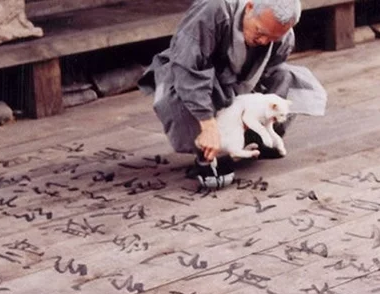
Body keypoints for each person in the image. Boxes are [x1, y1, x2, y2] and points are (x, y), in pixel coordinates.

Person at [139, 0, 327, 189]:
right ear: (250, 7)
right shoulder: (213, 9)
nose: (263, 41)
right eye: (260, 32)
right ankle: (210, 154)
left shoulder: (282, 35)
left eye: (272, 38)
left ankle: (253, 142)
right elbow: (188, 68)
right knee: (194, 112)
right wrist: (208, 123)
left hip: (241, 84)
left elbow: (271, 68)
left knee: (284, 77)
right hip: (196, 76)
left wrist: (248, 109)